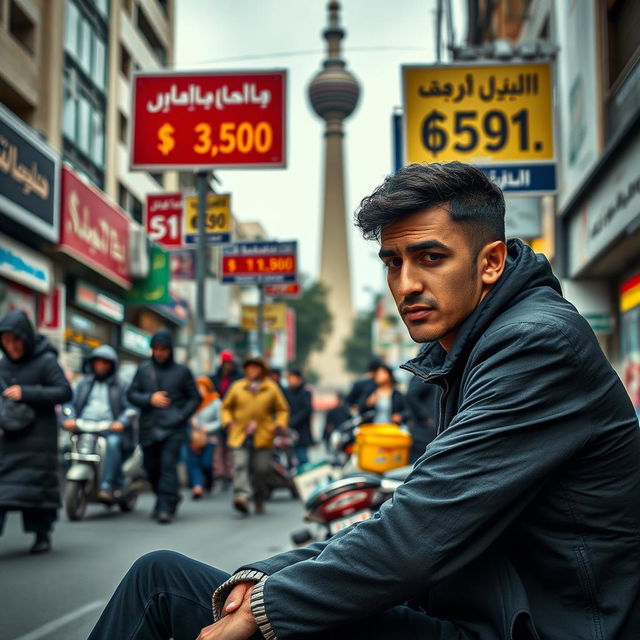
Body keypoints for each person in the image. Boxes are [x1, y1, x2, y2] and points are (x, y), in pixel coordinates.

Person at [89, 162, 640, 640]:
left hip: (537, 629)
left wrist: (268, 604)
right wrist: (262, 576)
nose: (406, 284)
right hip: (491, 612)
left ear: (490, 262)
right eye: (393, 262)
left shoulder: (533, 343)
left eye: (430, 257)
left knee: (159, 586)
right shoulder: (479, 347)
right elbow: (411, 516)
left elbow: (417, 531)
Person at [0, 311, 72, 554]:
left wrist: (26, 392)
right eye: (6, 340)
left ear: (26, 338)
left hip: (38, 438)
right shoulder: (3, 365)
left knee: (37, 489)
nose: (11, 346)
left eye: (16, 340)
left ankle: (42, 535)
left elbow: (64, 392)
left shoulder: (46, 361)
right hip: (8, 436)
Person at [127, 329, 200, 524]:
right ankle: (168, 498)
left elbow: (195, 397)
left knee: (168, 467)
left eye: (163, 349)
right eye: (156, 349)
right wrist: (149, 398)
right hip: (149, 428)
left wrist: (181, 415)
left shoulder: (182, 371)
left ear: (170, 350)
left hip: (172, 428)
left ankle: (165, 506)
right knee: (151, 468)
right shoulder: (143, 370)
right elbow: (131, 394)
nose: (159, 353)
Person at [62, 345, 135, 501]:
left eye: (105, 363)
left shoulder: (122, 385)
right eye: (98, 362)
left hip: (109, 429)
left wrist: (121, 422)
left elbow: (131, 408)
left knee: (113, 444)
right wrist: (69, 418)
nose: (101, 366)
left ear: (112, 365)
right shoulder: (83, 383)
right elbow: (69, 403)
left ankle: (107, 485)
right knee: (68, 445)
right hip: (83, 427)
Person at [221, 356, 289, 515]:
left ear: (262, 370)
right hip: (240, 433)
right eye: (249, 367)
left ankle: (259, 497)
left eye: (256, 368)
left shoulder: (271, 388)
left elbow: (282, 409)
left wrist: (278, 424)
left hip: (264, 434)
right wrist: (228, 422)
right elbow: (225, 407)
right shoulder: (237, 387)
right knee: (240, 465)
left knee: (261, 470)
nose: (252, 371)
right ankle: (242, 497)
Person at [210, 350, 242, 490]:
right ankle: (220, 474)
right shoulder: (215, 377)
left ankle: (230, 475)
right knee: (219, 446)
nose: (227, 366)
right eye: (225, 363)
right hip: (218, 415)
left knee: (231, 447)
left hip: (234, 416)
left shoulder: (238, 378)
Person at [187, 376, 221, 500]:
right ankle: (197, 486)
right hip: (194, 437)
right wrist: (191, 421)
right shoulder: (192, 401)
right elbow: (185, 413)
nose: (200, 390)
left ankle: (209, 481)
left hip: (209, 438)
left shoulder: (215, 402)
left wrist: (208, 427)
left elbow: (220, 421)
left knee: (206, 463)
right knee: (194, 462)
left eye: (202, 387)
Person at [405, 371, 439, 463]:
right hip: (422, 435)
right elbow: (411, 395)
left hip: (430, 434)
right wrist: (426, 417)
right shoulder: (428, 370)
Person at [284, 368, 313, 466]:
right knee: (290, 460)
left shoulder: (305, 392)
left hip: (301, 433)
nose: (289, 381)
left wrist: (292, 421)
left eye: (291, 378)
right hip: (288, 432)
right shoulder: (286, 392)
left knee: (302, 459)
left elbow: (306, 411)